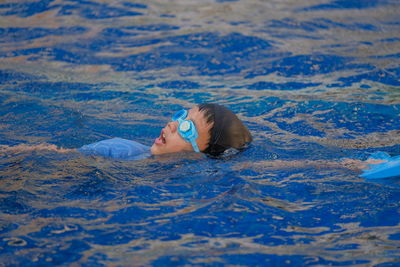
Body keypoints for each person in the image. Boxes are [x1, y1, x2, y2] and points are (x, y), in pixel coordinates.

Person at [78, 103, 253, 159]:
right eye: (181, 117)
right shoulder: (119, 150)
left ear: (199, 154)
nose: (172, 124)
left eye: (187, 128)